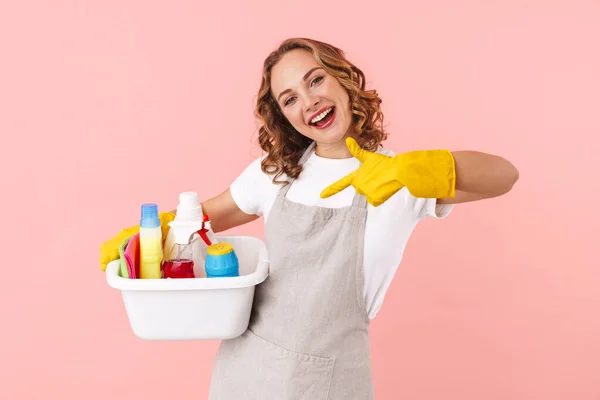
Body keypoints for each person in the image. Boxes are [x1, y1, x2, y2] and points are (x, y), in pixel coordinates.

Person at [100, 38, 519, 399]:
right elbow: (202, 217)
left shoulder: (399, 179)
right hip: (245, 375)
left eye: (315, 80)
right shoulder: (277, 173)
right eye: (290, 98)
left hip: (331, 381)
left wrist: (414, 170)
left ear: (343, 79)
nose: (309, 101)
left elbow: (504, 177)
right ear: (285, 117)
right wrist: (146, 237)